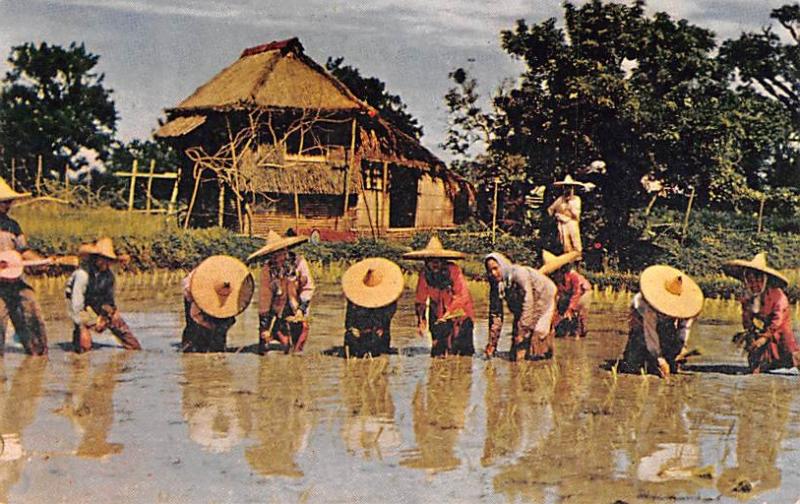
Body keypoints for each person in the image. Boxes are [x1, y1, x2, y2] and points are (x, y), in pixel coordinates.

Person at [722, 253, 800, 374]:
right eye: (750, 281)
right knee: (755, 359)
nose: (754, 285)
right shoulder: (747, 297)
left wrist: (764, 338)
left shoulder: (778, 296)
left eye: (758, 281)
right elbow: (746, 317)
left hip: (780, 328)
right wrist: (750, 334)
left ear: (765, 280)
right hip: (762, 328)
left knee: (792, 354)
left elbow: (777, 320)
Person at [621, 265, 704, 378]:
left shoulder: (687, 308)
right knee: (632, 365)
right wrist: (660, 359)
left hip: (666, 323)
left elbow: (685, 327)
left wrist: (682, 347)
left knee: (672, 356)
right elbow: (650, 332)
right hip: (641, 321)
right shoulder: (647, 303)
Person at [65, 237, 141, 353]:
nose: (107, 263)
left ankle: (133, 349)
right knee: (84, 343)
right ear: (96, 259)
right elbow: (77, 308)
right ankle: (79, 347)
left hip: (96, 300)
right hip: (79, 304)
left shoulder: (108, 277)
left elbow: (109, 302)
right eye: (104, 259)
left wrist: (104, 317)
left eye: (109, 260)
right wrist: (91, 322)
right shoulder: (82, 275)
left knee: (126, 334)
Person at [403, 236, 475, 357]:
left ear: (443, 261)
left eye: (438, 260)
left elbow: (461, 296)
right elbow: (420, 300)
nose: (435, 263)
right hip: (437, 310)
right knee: (438, 351)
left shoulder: (453, 270)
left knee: (460, 352)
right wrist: (421, 321)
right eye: (431, 260)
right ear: (426, 261)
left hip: (459, 312)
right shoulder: (424, 274)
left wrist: (448, 314)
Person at [0, 177, 48, 357]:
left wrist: (39, 262)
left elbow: (23, 250)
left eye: (9, 201)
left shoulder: (12, 226)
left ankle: (38, 357)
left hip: (16, 280)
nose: (8, 205)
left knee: (31, 311)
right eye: (4, 202)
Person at [248, 230, 314, 355]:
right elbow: (264, 297)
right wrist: (264, 327)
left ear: (285, 249)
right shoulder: (267, 270)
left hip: (296, 306)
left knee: (298, 345)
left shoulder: (299, 263)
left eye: (279, 253)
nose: (277, 257)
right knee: (268, 345)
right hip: (276, 310)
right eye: (273, 255)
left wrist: (301, 309)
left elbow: (308, 288)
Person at [484, 252, 557, 361]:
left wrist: (522, 332)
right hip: (522, 304)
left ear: (502, 266)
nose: (493, 273)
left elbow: (528, 303)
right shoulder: (495, 284)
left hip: (543, 297)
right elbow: (496, 314)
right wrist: (492, 343)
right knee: (515, 351)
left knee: (535, 340)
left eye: (495, 268)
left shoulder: (519, 274)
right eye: (490, 271)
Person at [181, 255, 254, 352]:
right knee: (194, 336)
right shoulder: (195, 287)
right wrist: (210, 326)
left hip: (218, 308)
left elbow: (232, 317)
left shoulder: (228, 277)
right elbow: (195, 315)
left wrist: (222, 327)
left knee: (219, 337)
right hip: (194, 301)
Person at [341, 257, 403, 358]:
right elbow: (349, 318)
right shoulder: (354, 298)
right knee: (352, 344)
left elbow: (387, 316)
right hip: (359, 331)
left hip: (378, 332)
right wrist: (352, 329)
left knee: (379, 360)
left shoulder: (388, 298)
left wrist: (380, 328)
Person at [539, 250, 591, 338]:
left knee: (579, 317)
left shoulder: (573, 275)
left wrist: (570, 308)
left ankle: (578, 332)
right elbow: (557, 294)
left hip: (583, 292)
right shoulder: (556, 278)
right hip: (570, 293)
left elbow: (577, 292)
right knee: (561, 311)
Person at [546, 175, 588, 253]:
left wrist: (569, 205)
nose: (567, 189)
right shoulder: (560, 199)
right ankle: (567, 261)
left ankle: (577, 261)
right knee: (565, 244)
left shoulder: (576, 199)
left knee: (575, 243)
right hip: (562, 224)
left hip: (572, 223)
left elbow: (576, 214)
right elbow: (550, 209)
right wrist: (556, 215)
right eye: (566, 187)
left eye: (569, 187)